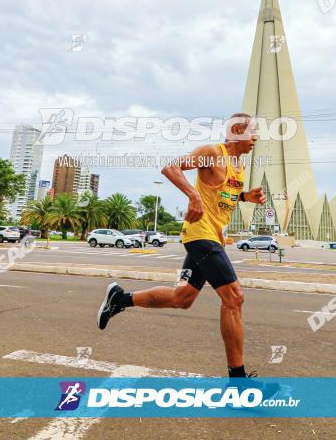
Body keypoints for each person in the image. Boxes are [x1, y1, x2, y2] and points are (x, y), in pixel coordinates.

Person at [96, 113, 265, 377]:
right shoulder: (213, 152)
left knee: (182, 298)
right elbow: (171, 168)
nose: (256, 138)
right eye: (252, 132)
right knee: (234, 297)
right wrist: (192, 194)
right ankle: (238, 382)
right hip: (199, 233)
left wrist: (245, 197)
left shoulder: (238, 166)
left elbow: (222, 194)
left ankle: (120, 299)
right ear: (236, 131)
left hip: (211, 235)